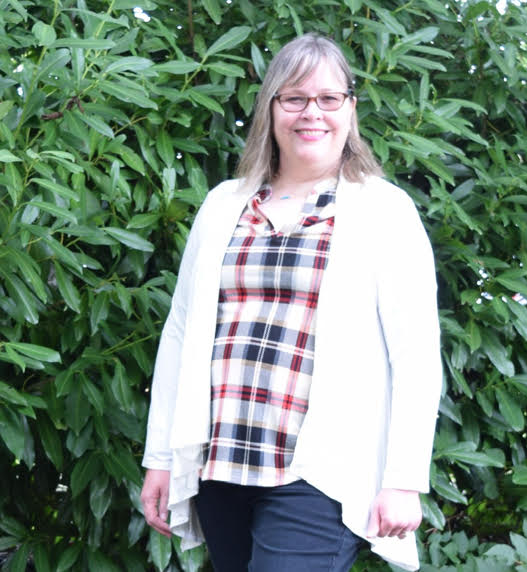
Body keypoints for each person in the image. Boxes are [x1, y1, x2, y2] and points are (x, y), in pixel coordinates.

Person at [141, 33, 442, 572]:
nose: (312, 113)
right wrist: (161, 459)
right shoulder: (223, 206)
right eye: (294, 98)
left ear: (350, 109)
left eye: (329, 98)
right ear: (271, 108)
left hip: (319, 476)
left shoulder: (384, 211)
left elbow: (416, 356)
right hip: (222, 467)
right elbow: (181, 334)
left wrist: (402, 479)